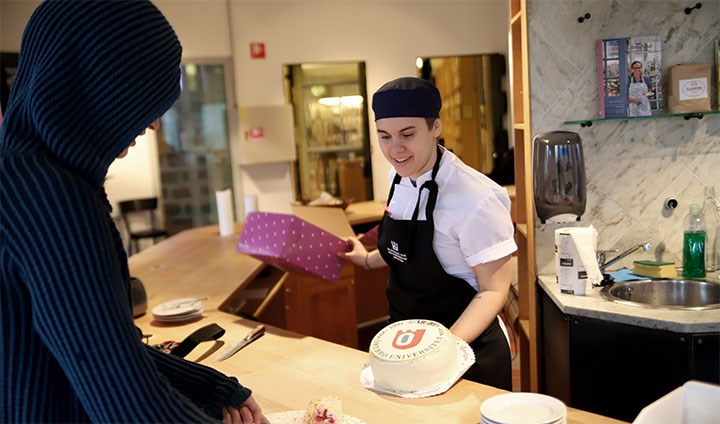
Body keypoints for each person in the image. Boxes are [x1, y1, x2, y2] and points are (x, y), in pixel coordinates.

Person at [0, 1, 267, 423]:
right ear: (97, 89)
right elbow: (126, 405)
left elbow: (98, 346)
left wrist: (210, 387)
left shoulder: (19, 174)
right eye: (143, 101)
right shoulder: (54, 201)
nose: (154, 124)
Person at [339, 77, 516, 390]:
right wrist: (367, 260)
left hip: (464, 352)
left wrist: (438, 354)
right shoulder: (400, 177)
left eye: (408, 134)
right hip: (404, 347)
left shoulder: (477, 197)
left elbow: (493, 291)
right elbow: (409, 247)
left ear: (436, 127)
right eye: (384, 136)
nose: (395, 149)